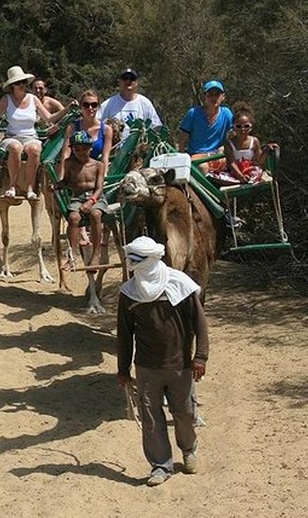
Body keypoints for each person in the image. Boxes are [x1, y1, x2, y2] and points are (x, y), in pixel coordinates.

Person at [117, 236, 208, 487]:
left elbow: (200, 325)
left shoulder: (180, 285)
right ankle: (160, 465)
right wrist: (123, 369)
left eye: (138, 261)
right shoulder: (129, 293)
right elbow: (124, 334)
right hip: (146, 367)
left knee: (184, 413)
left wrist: (200, 357)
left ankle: (189, 451)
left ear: (152, 259)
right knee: (151, 418)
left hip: (180, 365)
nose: (133, 266)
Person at [0, 65, 72, 199]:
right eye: (17, 83)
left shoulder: (33, 99)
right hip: (12, 136)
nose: (21, 85)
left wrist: (66, 109)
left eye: (23, 82)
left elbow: (49, 118)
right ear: (12, 86)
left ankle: (30, 187)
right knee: (15, 147)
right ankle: (12, 185)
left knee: (35, 149)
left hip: (31, 136)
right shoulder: (6, 100)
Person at [54, 131, 107, 271]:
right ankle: (73, 255)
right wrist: (58, 184)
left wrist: (91, 201)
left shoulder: (98, 165)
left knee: (96, 215)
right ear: (72, 150)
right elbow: (66, 180)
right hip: (78, 197)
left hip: (95, 197)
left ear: (90, 148)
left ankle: (96, 254)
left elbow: (100, 187)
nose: (81, 152)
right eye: (77, 149)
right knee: (73, 217)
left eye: (84, 148)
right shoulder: (69, 163)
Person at [215, 102, 278, 186]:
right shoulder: (229, 144)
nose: (242, 129)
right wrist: (240, 176)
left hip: (250, 171)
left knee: (257, 176)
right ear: (233, 127)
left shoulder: (254, 141)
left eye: (246, 126)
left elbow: (258, 161)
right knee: (220, 177)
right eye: (238, 126)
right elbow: (231, 163)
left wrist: (266, 150)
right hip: (236, 173)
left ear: (251, 127)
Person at [178, 80, 233, 174]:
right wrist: (181, 160)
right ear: (204, 96)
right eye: (210, 94)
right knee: (202, 168)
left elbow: (234, 134)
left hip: (217, 155)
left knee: (232, 164)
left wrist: (223, 147)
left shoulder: (226, 113)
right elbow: (183, 139)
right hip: (197, 155)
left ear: (223, 97)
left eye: (217, 94)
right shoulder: (193, 113)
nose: (214, 97)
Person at [98, 68, 163, 141]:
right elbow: (97, 125)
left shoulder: (145, 103)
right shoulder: (108, 104)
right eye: (125, 78)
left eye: (132, 79)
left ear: (137, 82)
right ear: (119, 82)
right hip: (114, 149)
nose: (128, 81)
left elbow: (156, 126)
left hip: (139, 149)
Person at [59, 90, 113, 176]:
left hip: (94, 172)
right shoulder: (72, 128)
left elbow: (105, 157)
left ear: (98, 107)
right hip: (75, 172)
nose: (90, 108)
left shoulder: (106, 130)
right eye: (86, 105)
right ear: (81, 107)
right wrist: (62, 177)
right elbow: (66, 155)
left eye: (94, 105)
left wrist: (104, 175)